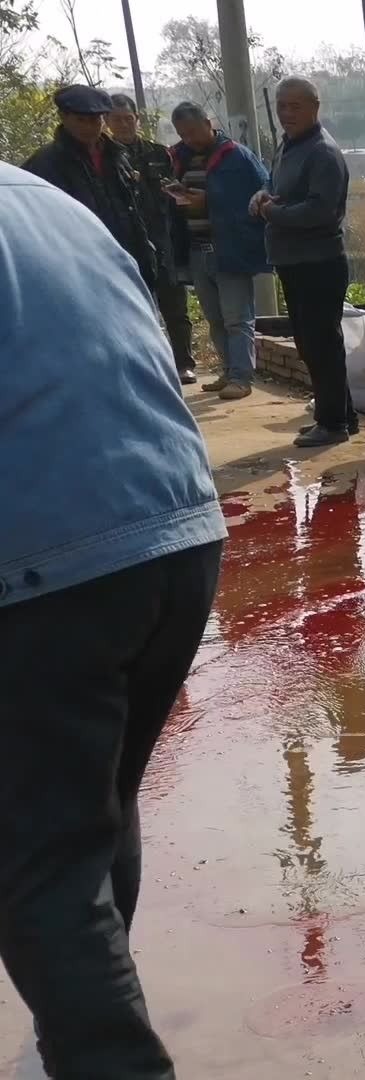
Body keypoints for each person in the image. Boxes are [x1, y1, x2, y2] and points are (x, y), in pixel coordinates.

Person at [0, 161, 227, 1079]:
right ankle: (93, 993)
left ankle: (106, 1050)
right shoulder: (42, 199)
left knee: (35, 862)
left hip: (48, 567)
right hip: (177, 536)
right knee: (93, 806)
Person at [252, 75, 354, 448]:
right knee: (313, 342)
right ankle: (343, 416)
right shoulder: (288, 147)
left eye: (295, 106)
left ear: (315, 107)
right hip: (294, 260)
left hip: (319, 262)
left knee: (320, 344)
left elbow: (321, 211)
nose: (286, 113)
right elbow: (280, 192)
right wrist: (264, 195)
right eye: (282, 105)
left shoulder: (322, 152)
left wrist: (271, 214)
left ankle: (332, 423)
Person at [166, 101, 272, 401]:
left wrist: (209, 201)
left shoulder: (236, 156)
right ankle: (229, 371)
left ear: (208, 122)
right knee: (215, 317)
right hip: (197, 249)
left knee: (237, 317)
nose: (189, 139)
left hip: (230, 247)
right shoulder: (180, 158)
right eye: (182, 134)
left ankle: (241, 377)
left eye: (193, 131)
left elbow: (262, 190)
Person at [22, 85, 160, 296]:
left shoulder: (117, 157)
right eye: (81, 120)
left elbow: (135, 212)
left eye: (95, 120)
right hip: (81, 270)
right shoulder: (44, 165)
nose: (89, 128)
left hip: (130, 263)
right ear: (63, 117)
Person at [107, 93, 197, 385]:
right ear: (107, 122)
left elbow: (177, 193)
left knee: (175, 307)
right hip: (125, 243)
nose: (123, 125)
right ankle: (146, 367)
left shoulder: (160, 153)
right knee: (134, 308)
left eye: (128, 118)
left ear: (137, 119)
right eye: (116, 119)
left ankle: (183, 363)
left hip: (163, 240)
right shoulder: (105, 159)